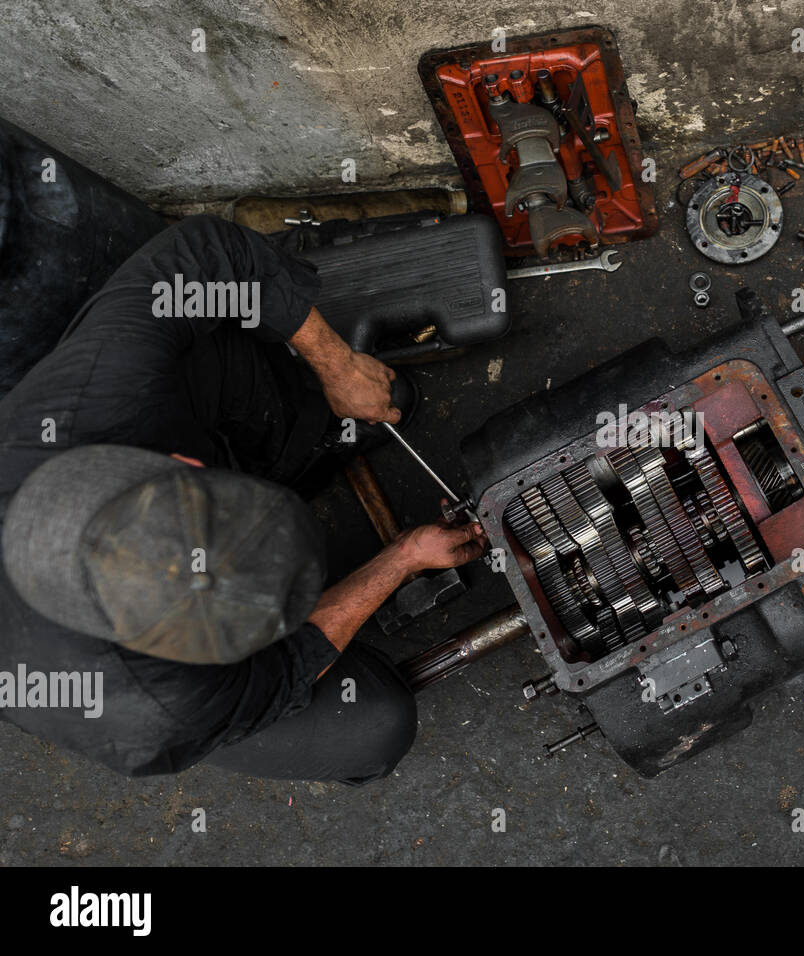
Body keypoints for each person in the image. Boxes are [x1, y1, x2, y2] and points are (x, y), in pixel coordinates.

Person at [0, 216, 487, 784]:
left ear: (181, 467)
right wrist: (399, 561)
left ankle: (298, 433)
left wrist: (338, 364)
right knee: (373, 726)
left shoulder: (97, 394)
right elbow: (288, 666)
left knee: (219, 360)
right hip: (133, 683)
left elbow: (209, 253)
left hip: (123, 436)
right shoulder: (149, 709)